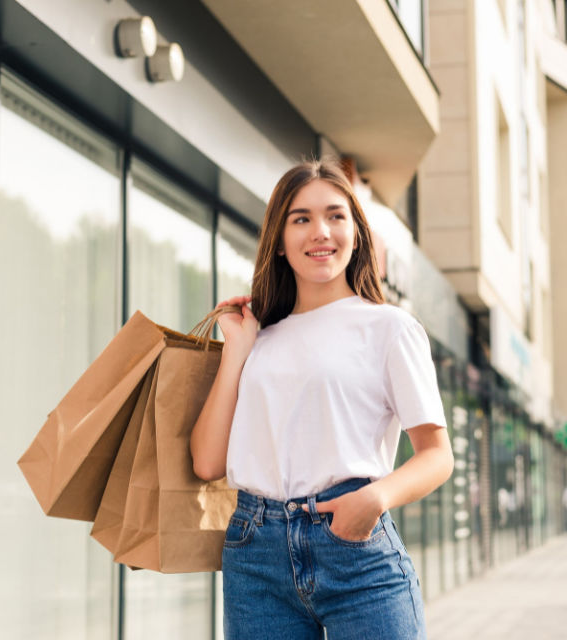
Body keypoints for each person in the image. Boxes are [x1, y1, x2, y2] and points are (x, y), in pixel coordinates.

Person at [190, 159, 454, 640]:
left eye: (335, 216)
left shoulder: (389, 329)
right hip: (256, 552)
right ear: (280, 238)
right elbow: (207, 461)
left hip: (355, 550)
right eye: (301, 219)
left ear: (356, 231)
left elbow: (437, 456)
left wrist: (374, 499)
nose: (321, 232)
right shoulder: (260, 339)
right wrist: (237, 352)